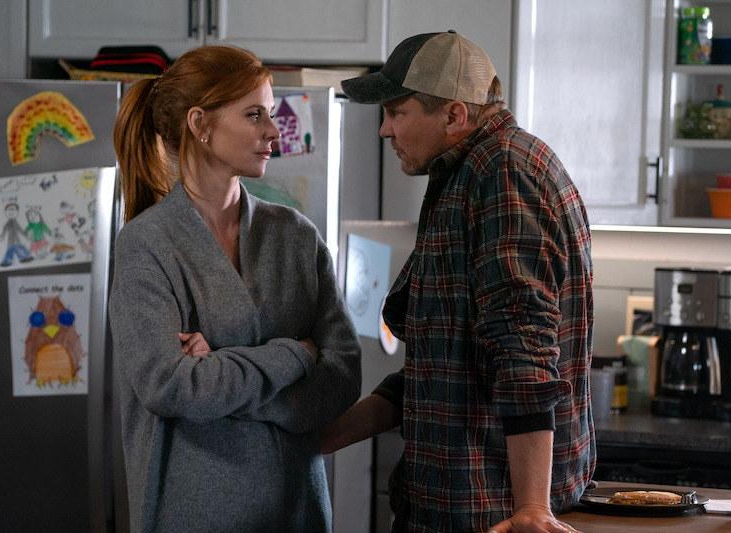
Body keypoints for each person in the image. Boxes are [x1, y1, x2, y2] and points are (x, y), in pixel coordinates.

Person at [321, 30, 594, 533]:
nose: (384, 131)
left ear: (454, 115)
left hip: (490, 511)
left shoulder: (503, 173)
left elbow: (522, 348)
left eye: (396, 113)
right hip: (452, 503)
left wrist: (532, 509)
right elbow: (444, 369)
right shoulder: (466, 173)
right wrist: (321, 438)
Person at [110, 45, 362, 533]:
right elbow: (173, 386)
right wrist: (294, 356)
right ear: (200, 124)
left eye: (271, 114)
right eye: (254, 115)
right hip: (193, 517)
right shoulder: (147, 245)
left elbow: (343, 375)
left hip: (299, 515)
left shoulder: (296, 235)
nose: (273, 131)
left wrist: (223, 371)